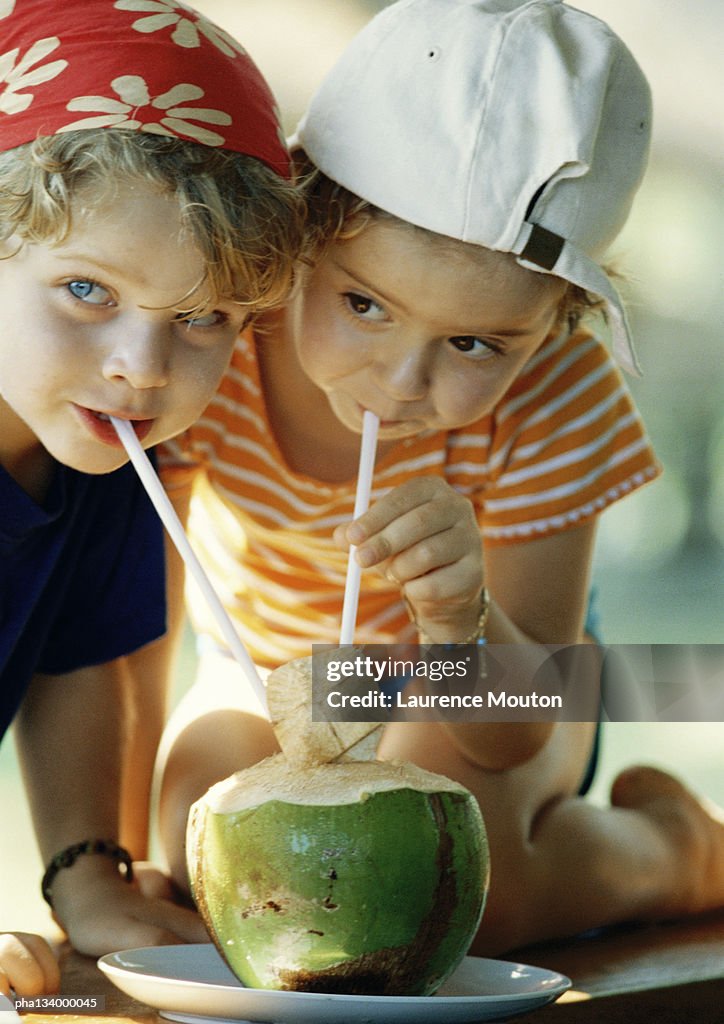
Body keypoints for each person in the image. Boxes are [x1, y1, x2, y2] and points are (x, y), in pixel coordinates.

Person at [154, 0, 724, 954]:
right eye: (364, 303)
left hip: (497, 688)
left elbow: (517, 726)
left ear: (559, 321)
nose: (404, 381)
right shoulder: (223, 333)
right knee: (193, 867)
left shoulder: (559, 396)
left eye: (474, 342)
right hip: (266, 674)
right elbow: (141, 606)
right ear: (302, 231)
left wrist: (456, 626)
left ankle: (670, 852)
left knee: (463, 898)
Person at [0, 0, 304, 968]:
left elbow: (76, 665)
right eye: (88, 290)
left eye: (204, 317)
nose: (142, 364)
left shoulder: (107, 468)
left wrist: (90, 873)